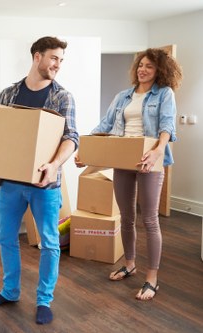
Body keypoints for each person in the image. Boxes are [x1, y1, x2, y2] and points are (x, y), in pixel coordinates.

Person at [0, 36, 79, 325]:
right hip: (11, 183)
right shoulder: (9, 94)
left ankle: (43, 300)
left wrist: (53, 165)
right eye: (53, 58)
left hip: (45, 185)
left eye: (61, 60)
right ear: (37, 57)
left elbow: (71, 138)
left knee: (49, 243)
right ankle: (10, 291)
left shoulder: (62, 97)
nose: (57, 65)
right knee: (6, 238)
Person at [75, 48, 182, 301]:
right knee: (125, 216)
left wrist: (157, 151)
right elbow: (105, 125)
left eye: (150, 67)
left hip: (149, 160)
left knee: (150, 220)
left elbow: (167, 125)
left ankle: (152, 278)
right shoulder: (123, 96)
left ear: (160, 71)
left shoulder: (164, 94)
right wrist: (86, 151)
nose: (142, 70)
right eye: (141, 65)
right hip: (123, 158)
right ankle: (130, 264)